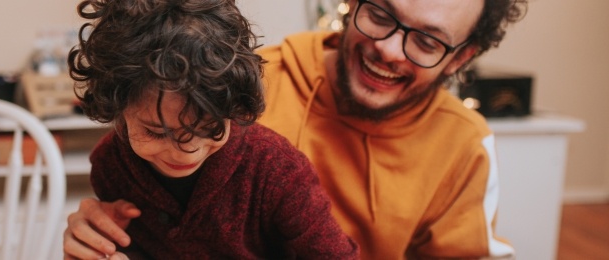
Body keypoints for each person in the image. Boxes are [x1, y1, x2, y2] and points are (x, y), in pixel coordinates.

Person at [63, 0, 529, 259]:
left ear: (463, 56)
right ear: (351, 2)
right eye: (381, 15)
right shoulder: (240, 77)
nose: (389, 49)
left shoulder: (463, 144)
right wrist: (97, 237)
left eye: (427, 40)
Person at [63, 0, 359, 259]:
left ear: (235, 107)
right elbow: (138, 247)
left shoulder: (277, 169)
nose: (187, 149)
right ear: (116, 106)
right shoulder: (110, 165)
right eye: (158, 132)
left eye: (210, 128)